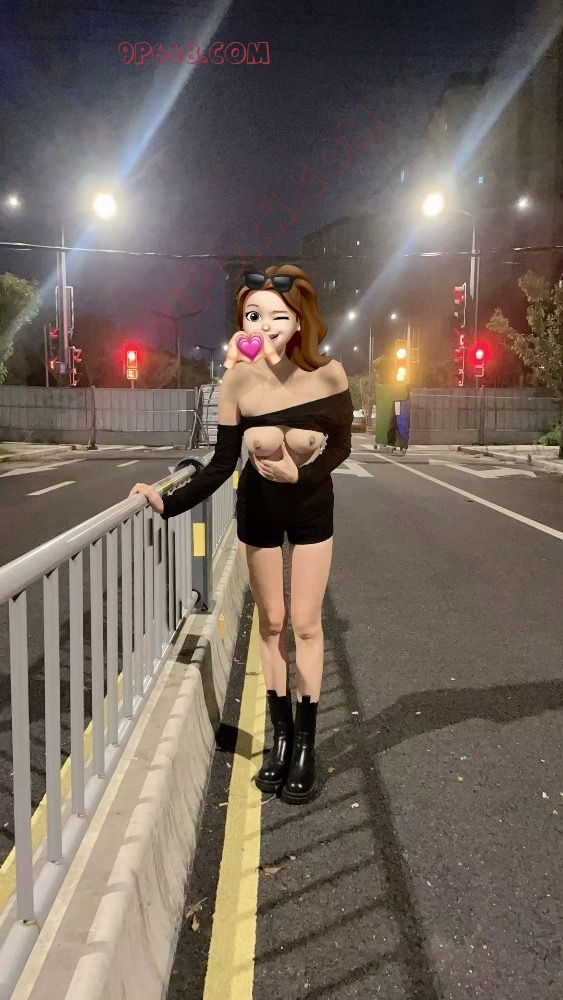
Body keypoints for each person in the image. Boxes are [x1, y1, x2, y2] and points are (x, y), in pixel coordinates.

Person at [128, 264, 354, 804]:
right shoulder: (237, 381)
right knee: (271, 623)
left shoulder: (329, 374)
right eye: (254, 315)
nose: (265, 325)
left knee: (305, 624)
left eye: (278, 315)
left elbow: (342, 446)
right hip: (257, 510)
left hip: (312, 510)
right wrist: (166, 500)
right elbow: (220, 463)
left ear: (299, 320)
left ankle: (306, 745)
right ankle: (281, 737)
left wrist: (302, 475)